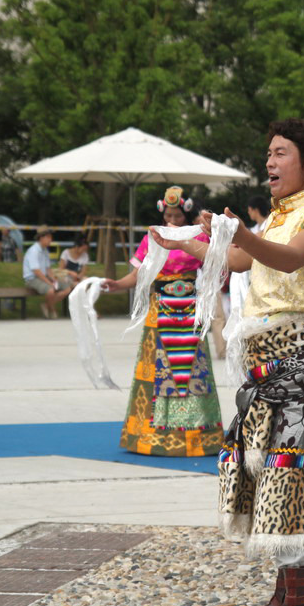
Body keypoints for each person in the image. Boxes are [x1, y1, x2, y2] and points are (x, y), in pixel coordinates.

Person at [149, 118, 304, 606]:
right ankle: (287, 598)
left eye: (281, 152)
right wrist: (184, 242)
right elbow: (240, 261)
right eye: (269, 152)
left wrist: (240, 231)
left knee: (294, 484)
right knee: (272, 485)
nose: (270, 161)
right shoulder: (278, 216)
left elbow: (288, 261)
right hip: (267, 371)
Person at [102, 188, 224, 458]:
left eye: (177, 215)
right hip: (161, 310)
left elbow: (217, 266)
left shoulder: (198, 236)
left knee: (193, 370)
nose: (172, 220)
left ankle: (197, 437)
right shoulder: (154, 237)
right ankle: (151, 436)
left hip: (190, 308)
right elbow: (138, 273)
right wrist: (117, 285)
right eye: (168, 214)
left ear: (186, 214)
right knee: (159, 369)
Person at [22, 226, 70, 319]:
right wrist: (49, 283)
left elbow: (48, 269)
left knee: (67, 288)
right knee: (50, 290)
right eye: (48, 237)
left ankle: (46, 305)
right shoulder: (34, 251)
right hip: (32, 279)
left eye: (50, 237)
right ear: (41, 238)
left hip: (43, 278)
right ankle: (52, 310)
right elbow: (36, 271)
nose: (50, 240)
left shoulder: (45, 251)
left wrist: (53, 279)